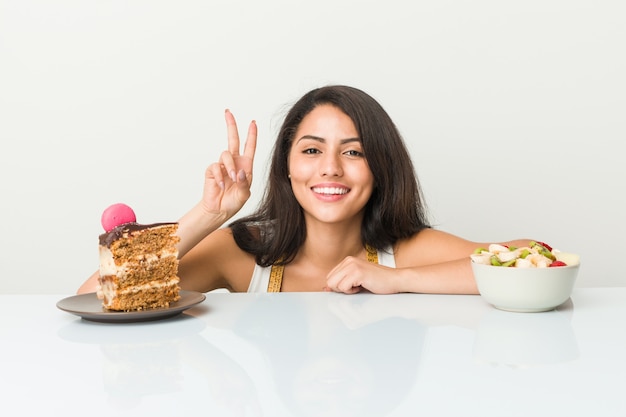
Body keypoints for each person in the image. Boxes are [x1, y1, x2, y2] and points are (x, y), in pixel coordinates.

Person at [78, 85, 532, 295]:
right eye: (312, 151)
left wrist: (396, 280)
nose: (331, 170)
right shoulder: (240, 256)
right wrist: (210, 214)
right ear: (287, 168)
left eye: (353, 153)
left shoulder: (405, 252)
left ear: (380, 169)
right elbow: (94, 293)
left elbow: (533, 258)